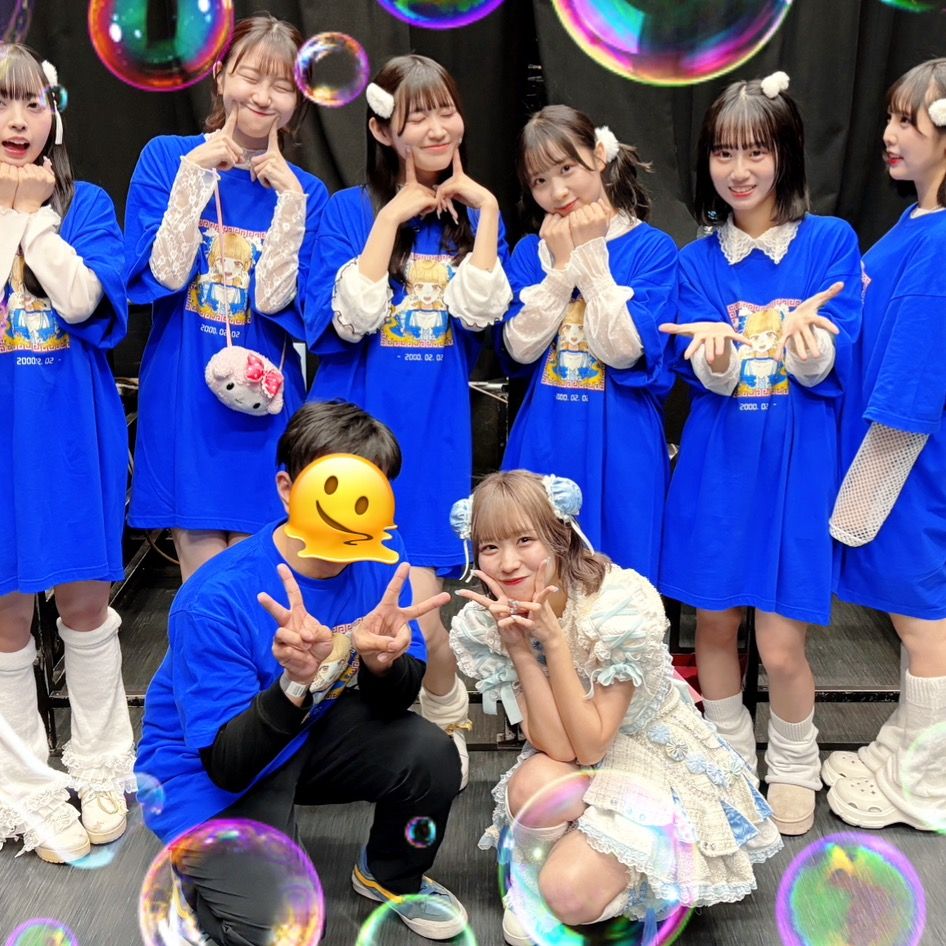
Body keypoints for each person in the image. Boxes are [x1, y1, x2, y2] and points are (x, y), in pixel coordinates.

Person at [135, 400, 468, 945]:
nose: (353, 513)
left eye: (370, 495)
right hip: (209, 766)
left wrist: (383, 666)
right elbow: (227, 765)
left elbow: (393, 702)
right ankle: (204, 887)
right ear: (288, 489)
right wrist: (295, 682)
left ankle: (389, 877)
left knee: (431, 754)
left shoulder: (384, 557)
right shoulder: (215, 599)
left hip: (312, 730)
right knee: (284, 930)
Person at [449, 471, 781, 946]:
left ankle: (634, 879)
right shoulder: (488, 620)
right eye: (489, 547)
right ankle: (536, 876)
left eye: (524, 540)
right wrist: (520, 649)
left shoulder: (616, 603)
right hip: (575, 748)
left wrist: (553, 642)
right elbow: (559, 748)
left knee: (567, 894)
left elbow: (592, 745)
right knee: (531, 783)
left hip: (645, 749)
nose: (507, 563)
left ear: (560, 535)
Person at [657, 72, 862, 836]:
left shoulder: (829, 242)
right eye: (723, 153)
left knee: (779, 647)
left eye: (756, 151)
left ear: (787, 155)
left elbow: (834, 367)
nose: (738, 170)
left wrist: (808, 349)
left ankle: (796, 766)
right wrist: (715, 358)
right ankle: (730, 765)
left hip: (796, 473)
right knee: (712, 627)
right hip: (718, 468)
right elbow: (702, 376)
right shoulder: (695, 262)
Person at [304, 54, 512, 786]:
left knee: (424, 594)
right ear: (381, 130)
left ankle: (442, 714)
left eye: (446, 110)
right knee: (355, 589)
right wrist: (392, 216)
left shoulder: (472, 216)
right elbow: (346, 319)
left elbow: (482, 316)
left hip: (432, 433)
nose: (436, 128)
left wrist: (487, 214)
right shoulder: (347, 211)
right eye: (417, 116)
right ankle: (380, 728)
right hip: (355, 434)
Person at [124, 14, 328, 582]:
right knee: (205, 587)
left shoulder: (307, 192)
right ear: (219, 76)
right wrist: (193, 178)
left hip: (267, 408)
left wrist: (290, 205)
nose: (262, 97)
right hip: (187, 396)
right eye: (250, 77)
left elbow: (277, 301)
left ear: (297, 100)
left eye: (281, 85)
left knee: (268, 585)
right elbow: (163, 275)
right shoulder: (168, 157)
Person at [0, 43, 134, 863]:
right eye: (1, 102)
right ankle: (28, 791)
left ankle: (102, 767)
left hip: (72, 436)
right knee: (6, 618)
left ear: (54, 114)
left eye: (32, 104)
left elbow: (84, 301)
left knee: (86, 606)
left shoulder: (85, 205)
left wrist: (35, 218)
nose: (18, 121)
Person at [825, 58, 946, 832]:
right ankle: (912, 745)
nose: (889, 134)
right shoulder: (918, 221)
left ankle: (928, 782)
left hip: (909, 459)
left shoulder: (942, 241)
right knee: (918, 615)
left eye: (908, 121)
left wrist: (868, 487)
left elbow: (913, 384)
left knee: (922, 617)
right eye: (891, 118)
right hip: (895, 450)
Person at [500, 105, 677, 580]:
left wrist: (591, 257)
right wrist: (561, 270)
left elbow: (624, 350)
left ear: (599, 156)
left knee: (622, 586)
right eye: (539, 181)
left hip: (624, 444)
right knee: (537, 582)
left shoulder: (653, 248)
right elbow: (518, 348)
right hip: (545, 437)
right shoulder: (531, 252)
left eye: (567, 169)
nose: (557, 192)